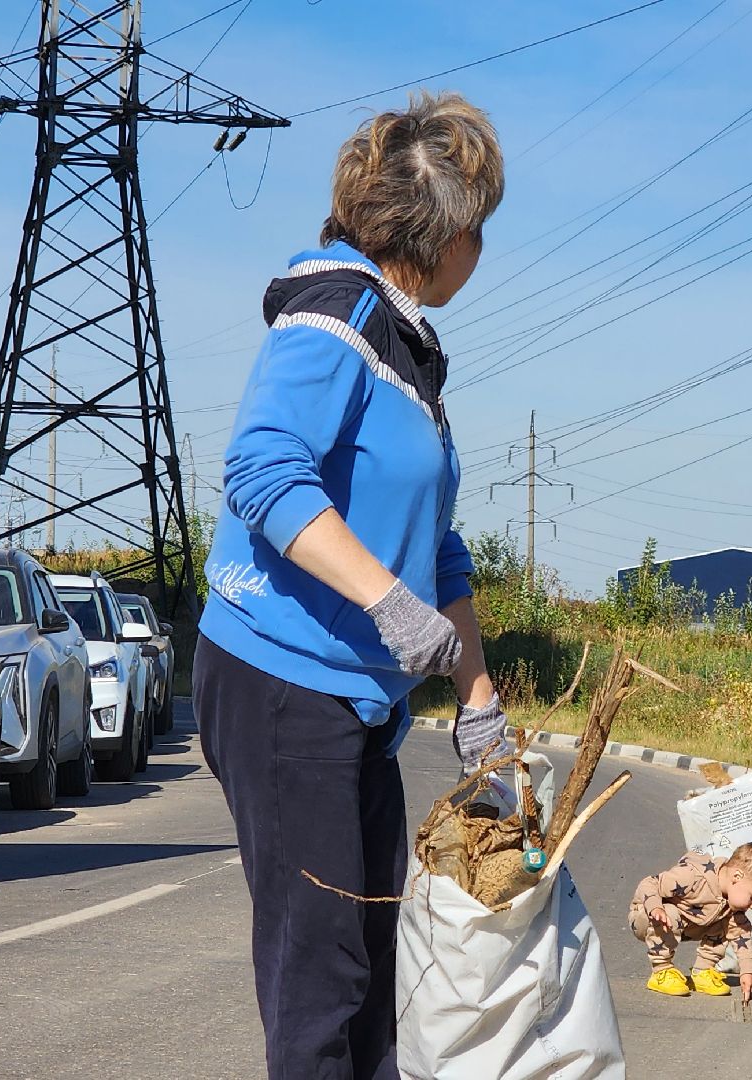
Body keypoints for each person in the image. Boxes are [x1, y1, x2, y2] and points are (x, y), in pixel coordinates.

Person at [192, 91, 508, 1080]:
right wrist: (384, 599)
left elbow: (435, 547)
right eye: (480, 229)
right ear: (445, 233)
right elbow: (262, 470)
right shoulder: (338, 314)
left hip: (354, 698)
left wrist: (479, 697)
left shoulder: (409, 353)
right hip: (283, 683)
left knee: (372, 966)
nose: (483, 251)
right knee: (321, 980)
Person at [630, 842, 752, 1002]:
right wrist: (655, 908)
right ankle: (661, 971)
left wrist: (747, 972)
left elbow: (741, 936)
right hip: (647, 917)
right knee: (670, 912)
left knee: (728, 923)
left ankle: (702, 971)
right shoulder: (693, 877)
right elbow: (649, 883)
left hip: (686, 925)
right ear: (737, 877)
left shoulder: (731, 903)